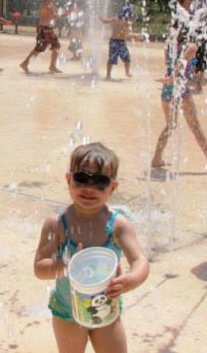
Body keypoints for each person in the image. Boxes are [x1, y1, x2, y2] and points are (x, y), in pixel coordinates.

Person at [34, 142, 150, 353]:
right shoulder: (58, 224)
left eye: (100, 182)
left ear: (113, 187)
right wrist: (63, 266)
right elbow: (39, 268)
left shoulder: (117, 225)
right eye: (81, 179)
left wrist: (131, 280)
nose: (89, 188)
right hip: (67, 312)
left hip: (106, 308)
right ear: (68, 179)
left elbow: (140, 260)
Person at [150, 23, 207, 174]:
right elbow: (182, 62)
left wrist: (173, 77)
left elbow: (173, 64)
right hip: (179, 87)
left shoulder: (169, 45)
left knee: (171, 124)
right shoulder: (192, 46)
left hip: (167, 89)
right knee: (195, 126)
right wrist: (175, 76)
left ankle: (157, 158)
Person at [20, 0, 64, 74]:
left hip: (47, 29)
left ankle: (52, 66)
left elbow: (55, 16)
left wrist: (62, 13)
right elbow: (55, 16)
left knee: (55, 46)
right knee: (40, 49)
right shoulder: (46, 5)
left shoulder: (50, 4)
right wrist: (65, 13)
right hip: (45, 29)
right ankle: (25, 63)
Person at [101, 5, 137, 80]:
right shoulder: (116, 20)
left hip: (120, 42)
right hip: (114, 41)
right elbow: (106, 21)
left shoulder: (125, 22)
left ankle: (127, 72)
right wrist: (102, 19)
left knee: (127, 58)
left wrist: (134, 35)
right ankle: (108, 74)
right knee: (111, 59)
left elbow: (128, 33)